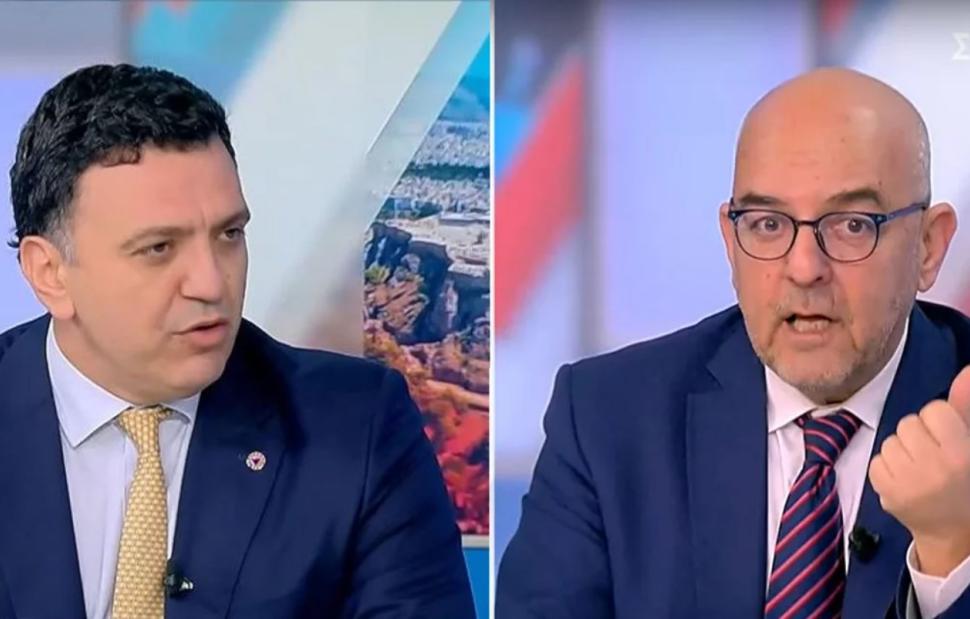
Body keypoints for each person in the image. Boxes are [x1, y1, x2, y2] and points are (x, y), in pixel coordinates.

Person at [0, 64, 474, 619]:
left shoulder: (357, 429)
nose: (210, 283)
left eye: (229, 234)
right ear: (50, 273)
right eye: (158, 248)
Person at [496, 68, 970, 619]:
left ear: (929, 247)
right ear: (731, 240)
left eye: (852, 225)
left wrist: (951, 557)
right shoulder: (607, 419)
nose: (804, 268)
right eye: (768, 225)